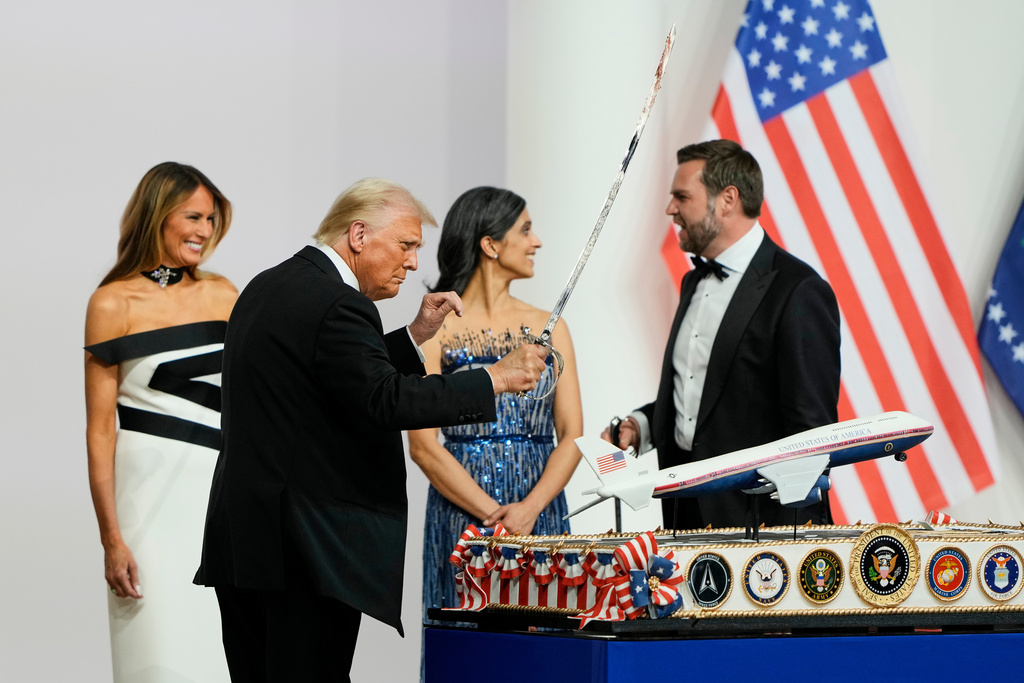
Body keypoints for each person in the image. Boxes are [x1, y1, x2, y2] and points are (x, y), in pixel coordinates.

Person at [194, 178, 548, 682]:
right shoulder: (341, 303)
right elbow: (382, 399)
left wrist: (413, 336)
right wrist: (495, 378)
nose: (412, 263)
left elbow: (332, 377)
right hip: (306, 554)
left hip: (247, 546)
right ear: (359, 235)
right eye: (406, 245)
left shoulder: (270, 284)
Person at [606, 139, 841, 530]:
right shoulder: (692, 282)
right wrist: (642, 424)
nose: (671, 209)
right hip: (683, 515)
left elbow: (812, 435)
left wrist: (789, 541)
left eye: (682, 196)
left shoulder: (799, 291)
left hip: (763, 531)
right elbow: (707, 393)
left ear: (727, 199)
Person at [84, 161, 236, 682]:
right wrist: (112, 540)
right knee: (159, 660)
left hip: (221, 498)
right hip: (147, 508)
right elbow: (101, 429)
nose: (203, 231)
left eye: (211, 220)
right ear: (157, 215)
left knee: (225, 656)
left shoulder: (224, 295)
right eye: (193, 216)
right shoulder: (111, 302)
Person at [408, 187, 583, 619]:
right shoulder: (437, 329)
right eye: (525, 230)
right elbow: (422, 444)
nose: (536, 241)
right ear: (490, 244)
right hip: (462, 518)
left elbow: (573, 435)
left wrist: (529, 510)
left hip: (539, 512)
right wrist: (495, 518)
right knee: (465, 644)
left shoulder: (549, 327)